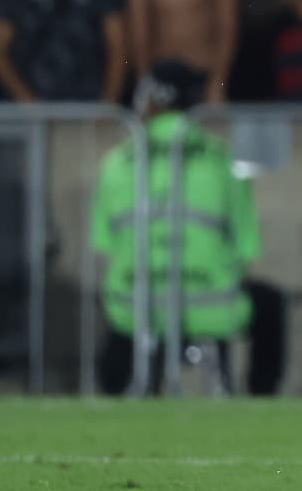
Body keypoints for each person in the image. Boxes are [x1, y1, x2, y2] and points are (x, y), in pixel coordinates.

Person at [91, 60, 286, 396]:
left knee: (108, 299)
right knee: (270, 304)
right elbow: (246, 247)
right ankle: (260, 397)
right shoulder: (223, 159)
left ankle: (114, 393)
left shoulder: (115, 162)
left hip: (136, 307)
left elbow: (104, 244)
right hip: (215, 307)